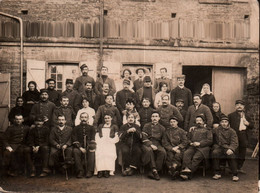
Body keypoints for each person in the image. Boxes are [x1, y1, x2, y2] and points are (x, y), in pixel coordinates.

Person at [180, 114, 213, 180]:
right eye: (197, 120)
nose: (198, 122)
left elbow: (210, 141)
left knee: (196, 157)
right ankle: (186, 170)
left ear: (204, 122)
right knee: (186, 153)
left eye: (200, 120)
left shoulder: (208, 130)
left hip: (203, 148)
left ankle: (188, 173)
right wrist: (191, 143)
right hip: (193, 147)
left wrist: (200, 143)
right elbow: (188, 139)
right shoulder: (193, 130)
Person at [228, 100, 253, 174]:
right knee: (234, 151)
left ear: (243, 107)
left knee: (242, 152)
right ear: (235, 106)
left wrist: (248, 124)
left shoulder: (247, 116)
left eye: (241, 105)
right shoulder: (231, 115)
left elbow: (252, 126)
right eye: (237, 105)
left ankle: (239, 167)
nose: (239, 106)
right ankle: (233, 168)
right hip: (234, 135)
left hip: (243, 134)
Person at [212, 115, 239, 182]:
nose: (224, 123)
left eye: (225, 122)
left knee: (231, 155)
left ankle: (234, 174)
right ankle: (217, 173)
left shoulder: (232, 131)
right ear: (220, 123)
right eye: (222, 122)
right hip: (220, 147)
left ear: (228, 123)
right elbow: (209, 131)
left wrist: (231, 149)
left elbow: (234, 142)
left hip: (228, 147)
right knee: (215, 152)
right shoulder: (217, 130)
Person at [141, 111, 166, 181]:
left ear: (159, 118)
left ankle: (155, 170)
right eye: (153, 116)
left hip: (158, 143)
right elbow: (144, 137)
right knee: (149, 150)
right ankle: (154, 169)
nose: (154, 118)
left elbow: (164, 139)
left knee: (162, 152)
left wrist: (161, 146)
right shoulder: (146, 126)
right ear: (151, 118)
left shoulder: (162, 128)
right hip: (147, 143)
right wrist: (150, 144)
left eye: (156, 116)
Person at [72, 112, 96, 178]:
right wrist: (80, 148)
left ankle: (89, 171)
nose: (84, 119)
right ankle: (80, 171)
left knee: (92, 150)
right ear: (80, 118)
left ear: (88, 118)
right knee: (75, 151)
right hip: (79, 147)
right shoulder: (76, 128)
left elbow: (93, 139)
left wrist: (88, 146)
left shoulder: (92, 128)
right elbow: (74, 139)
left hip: (89, 146)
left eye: (85, 117)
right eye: (82, 117)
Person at [95, 113, 119, 178]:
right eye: (105, 118)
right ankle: (100, 170)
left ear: (111, 118)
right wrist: (99, 141)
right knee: (99, 153)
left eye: (108, 118)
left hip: (110, 143)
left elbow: (117, 137)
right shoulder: (100, 126)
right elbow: (97, 135)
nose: (107, 119)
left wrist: (111, 141)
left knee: (108, 154)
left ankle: (107, 170)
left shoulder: (114, 126)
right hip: (101, 142)